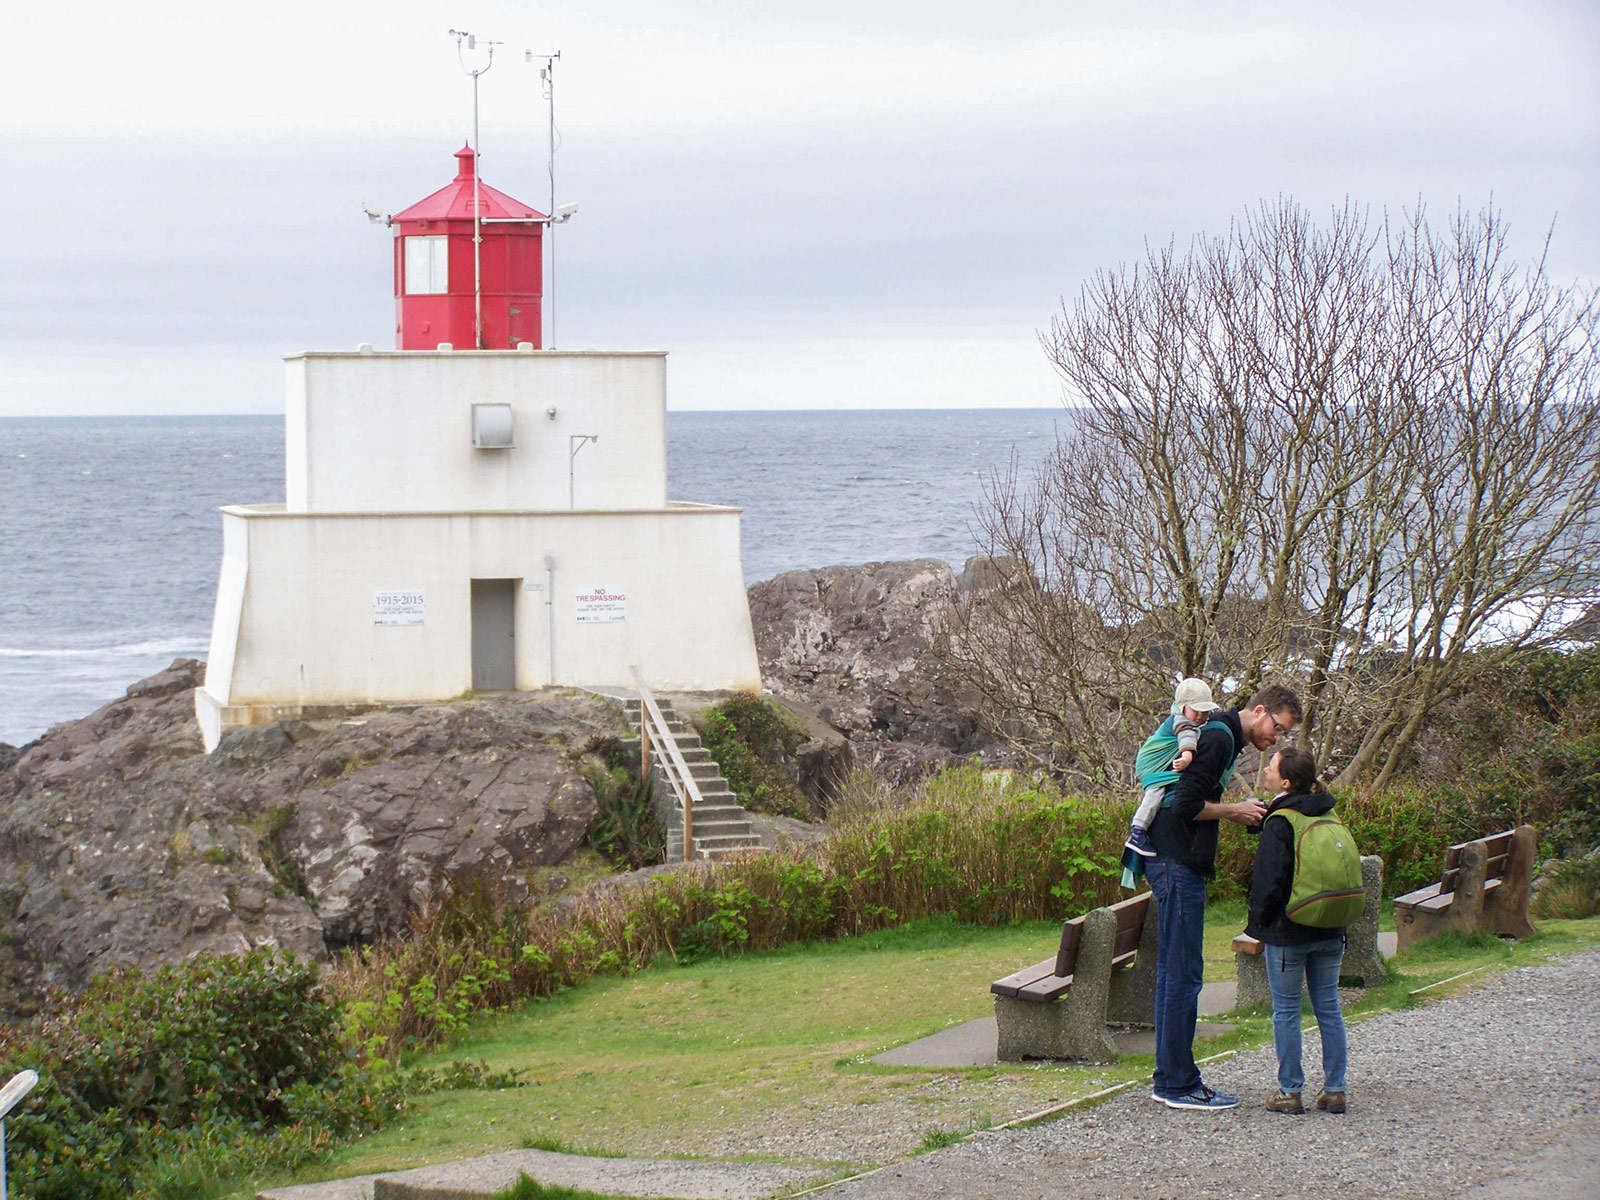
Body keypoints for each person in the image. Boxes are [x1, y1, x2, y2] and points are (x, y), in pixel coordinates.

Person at [1148, 682, 1302, 1111]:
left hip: (1171, 860)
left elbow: (1193, 796)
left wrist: (1236, 807)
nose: (1277, 739)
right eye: (1278, 728)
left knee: (1171, 974)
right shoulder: (1219, 736)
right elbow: (1184, 806)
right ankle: (1179, 1084)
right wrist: (1234, 811)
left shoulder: (1221, 736)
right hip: (1176, 862)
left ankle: (1169, 1076)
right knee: (1184, 975)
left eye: (1284, 734)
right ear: (1259, 711)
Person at [1246, 744, 1350, 1116]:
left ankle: (1291, 1091)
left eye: (1271, 768)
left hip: (1290, 930)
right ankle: (1335, 1089)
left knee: (1287, 1010)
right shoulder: (1328, 813)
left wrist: (1259, 925)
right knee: (1329, 1008)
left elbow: (1268, 882)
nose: (1266, 772)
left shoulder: (1281, 821)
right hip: (1330, 927)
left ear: (1286, 782)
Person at [1123, 677, 1223, 868]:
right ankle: (1137, 832)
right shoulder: (1180, 720)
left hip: (1162, 764)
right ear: (1183, 707)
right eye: (1197, 710)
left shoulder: (1193, 720)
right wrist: (1187, 756)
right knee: (1156, 792)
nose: (1201, 715)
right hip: (1152, 764)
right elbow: (1187, 734)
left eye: (1205, 710)